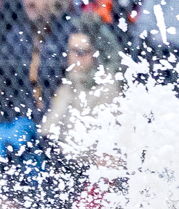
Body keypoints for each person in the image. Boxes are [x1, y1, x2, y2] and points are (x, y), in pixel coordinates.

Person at [0, 0, 78, 121]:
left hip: (56, 112)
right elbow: (6, 77)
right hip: (16, 112)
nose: (29, 1)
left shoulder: (71, 32)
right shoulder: (19, 34)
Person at [44, 18, 125, 167]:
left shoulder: (107, 88)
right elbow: (48, 130)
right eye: (71, 51)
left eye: (80, 52)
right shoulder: (67, 86)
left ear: (95, 55)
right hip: (65, 163)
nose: (73, 58)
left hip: (91, 166)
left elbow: (103, 144)